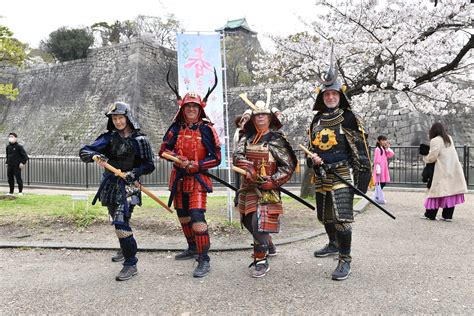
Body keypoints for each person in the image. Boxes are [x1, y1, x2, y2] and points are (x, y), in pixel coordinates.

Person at [305, 46, 371, 281]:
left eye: (334, 94)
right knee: (325, 216)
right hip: (322, 175)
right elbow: (309, 149)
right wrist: (312, 160)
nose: (330, 97)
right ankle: (333, 244)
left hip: (342, 172)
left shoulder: (350, 118)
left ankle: (345, 259)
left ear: (340, 96)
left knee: (343, 218)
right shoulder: (316, 120)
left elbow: (361, 153)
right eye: (326, 95)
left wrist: (361, 184)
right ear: (322, 98)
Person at [79, 102, 156, 281]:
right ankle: (125, 247)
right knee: (118, 220)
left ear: (128, 117)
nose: (118, 121)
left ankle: (131, 263)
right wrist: (94, 156)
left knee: (120, 223)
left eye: (120, 117)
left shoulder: (140, 140)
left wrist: (134, 172)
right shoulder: (108, 138)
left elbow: (149, 165)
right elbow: (84, 150)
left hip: (129, 186)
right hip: (110, 185)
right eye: (114, 118)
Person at [159, 72, 221, 278]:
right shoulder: (175, 128)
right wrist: (178, 159)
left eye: (195, 106)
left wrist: (198, 165)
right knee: (183, 215)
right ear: (183, 109)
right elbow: (163, 150)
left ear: (200, 109)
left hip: (197, 179)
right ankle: (192, 247)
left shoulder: (207, 130)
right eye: (188, 106)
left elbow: (216, 157)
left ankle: (204, 259)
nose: (192, 109)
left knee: (197, 217)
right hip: (178, 178)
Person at [234, 89, 297, 278]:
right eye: (257, 115)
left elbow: (288, 165)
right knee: (247, 221)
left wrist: (273, 181)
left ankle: (261, 260)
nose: (260, 117)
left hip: (269, 188)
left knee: (259, 222)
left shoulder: (277, 140)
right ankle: (268, 243)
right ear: (253, 119)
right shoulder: (246, 139)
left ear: (270, 118)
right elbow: (237, 156)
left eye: (264, 114)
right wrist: (247, 167)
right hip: (248, 187)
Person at [419, 122, 467, 221]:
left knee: (435, 191)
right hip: (452, 168)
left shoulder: (435, 140)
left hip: (440, 170)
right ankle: (447, 216)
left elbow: (432, 157)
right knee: (450, 191)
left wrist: (425, 157)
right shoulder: (449, 138)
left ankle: (430, 214)